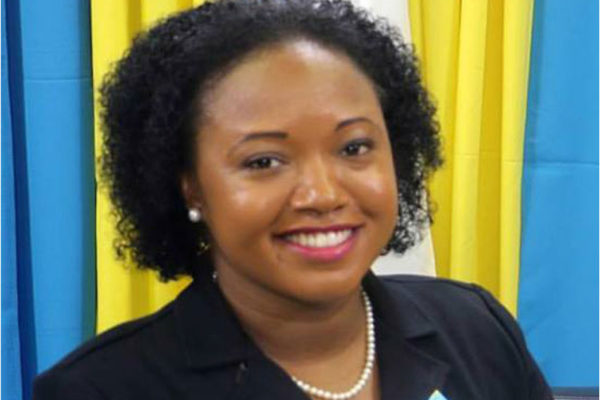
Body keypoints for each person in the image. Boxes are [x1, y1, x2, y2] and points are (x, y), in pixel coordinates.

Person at [33, 0, 553, 399]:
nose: (323, 194)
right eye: (264, 161)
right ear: (190, 186)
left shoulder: (475, 330)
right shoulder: (102, 389)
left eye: (354, 148)